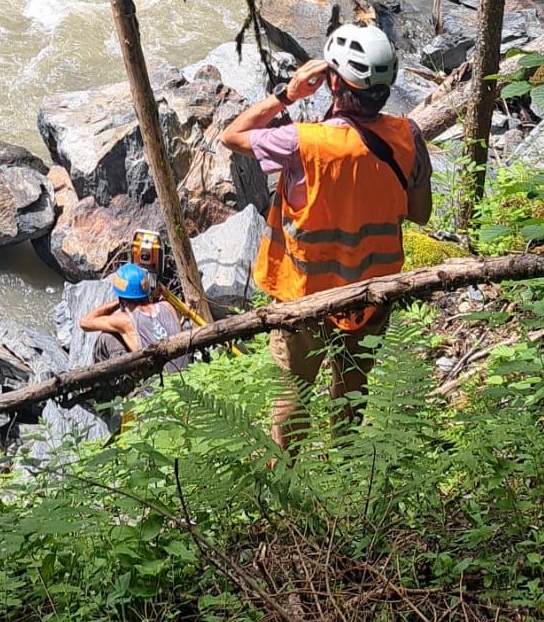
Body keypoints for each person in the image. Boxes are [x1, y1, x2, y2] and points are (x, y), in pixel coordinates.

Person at [220, 23, 433, 450]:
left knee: (293, 399)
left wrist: (288, 94)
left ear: (333, 82)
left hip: (305, 298)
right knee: (351, 393)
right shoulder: (408, 136)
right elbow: (421, 213)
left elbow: (231, 136)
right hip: (371, 296)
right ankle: (346, 471)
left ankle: (286, 479)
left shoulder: (303, 142)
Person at [79, 261, 182, 361]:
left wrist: (117, 303)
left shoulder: (126, 319)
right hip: (188, 372)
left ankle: (116, 377)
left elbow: (84, 323)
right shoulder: (167, 306)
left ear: (122, 298)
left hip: (157, 377)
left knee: (106, 337)